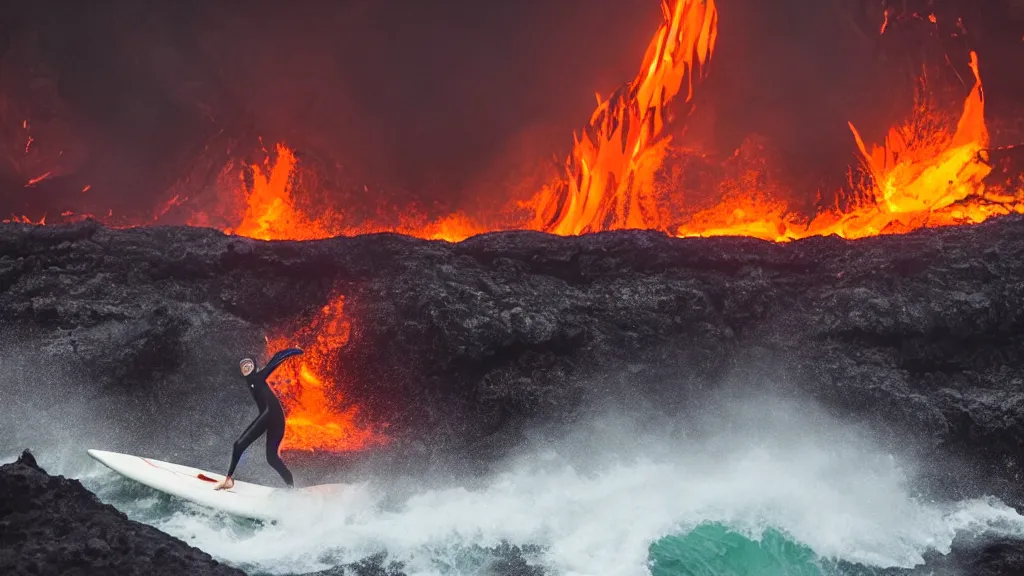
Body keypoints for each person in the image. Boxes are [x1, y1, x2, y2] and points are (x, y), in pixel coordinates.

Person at [214, 348, 303, 490]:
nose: (246, 367)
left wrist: (294, 351)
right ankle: (291, 487)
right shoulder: (251, 382)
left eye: (249, 364)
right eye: (243, 366)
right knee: (271, 458)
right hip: (274, 419)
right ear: (241, 371)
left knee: (239, 445)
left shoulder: (259, 377)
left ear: (254, 366)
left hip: (273, 415)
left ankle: (229, 480)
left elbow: (275, 360)